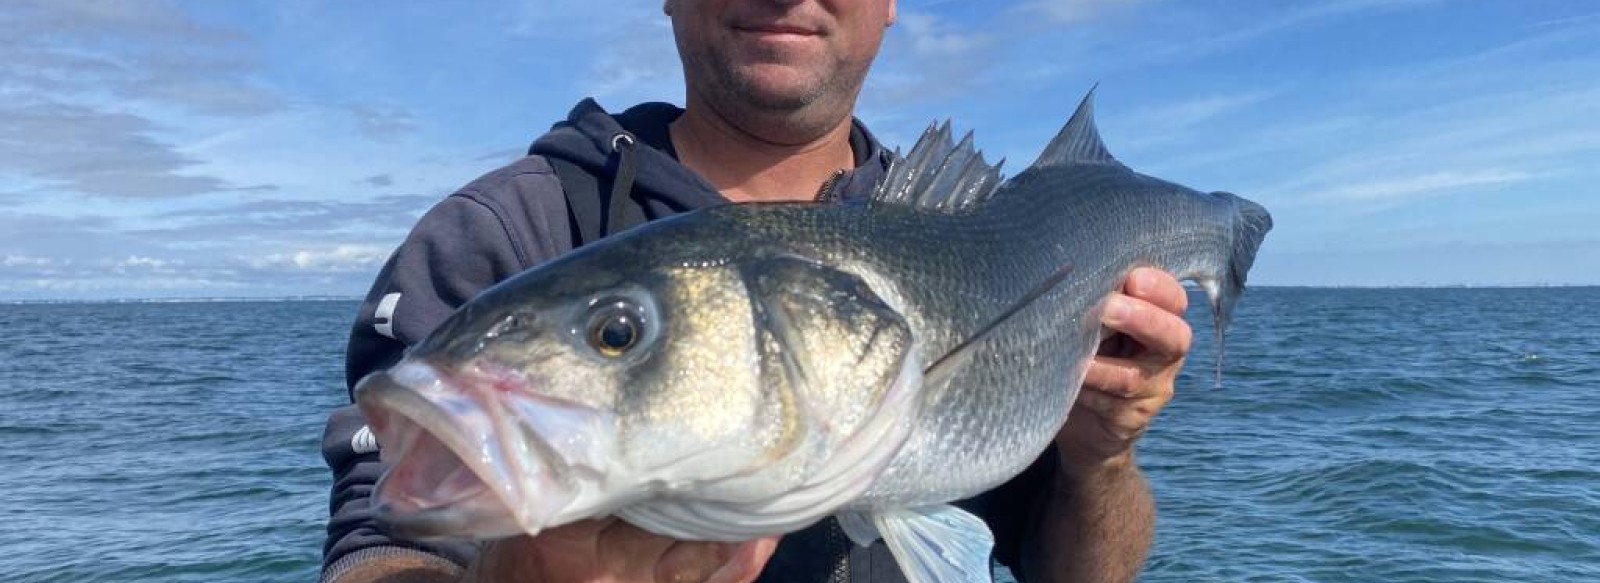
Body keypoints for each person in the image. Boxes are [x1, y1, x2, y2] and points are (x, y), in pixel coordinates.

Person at [318, 1, 1193, 582]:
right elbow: (380, 545)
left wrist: (1099, 458)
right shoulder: (503, 235)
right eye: (620, 330)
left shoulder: (981, 236)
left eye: (618, 332)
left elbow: (1073, 568)